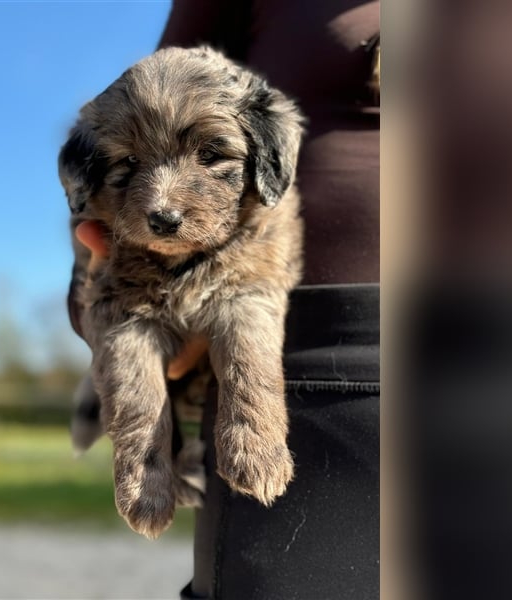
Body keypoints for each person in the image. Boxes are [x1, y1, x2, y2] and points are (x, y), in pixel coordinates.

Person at [69, 1, 379, 597]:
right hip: (319, 361)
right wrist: (91, 305)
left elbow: (249, 305)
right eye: (130, 165)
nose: (163, 201)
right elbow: (110, 305)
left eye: (211, 156)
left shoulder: (264, 193)